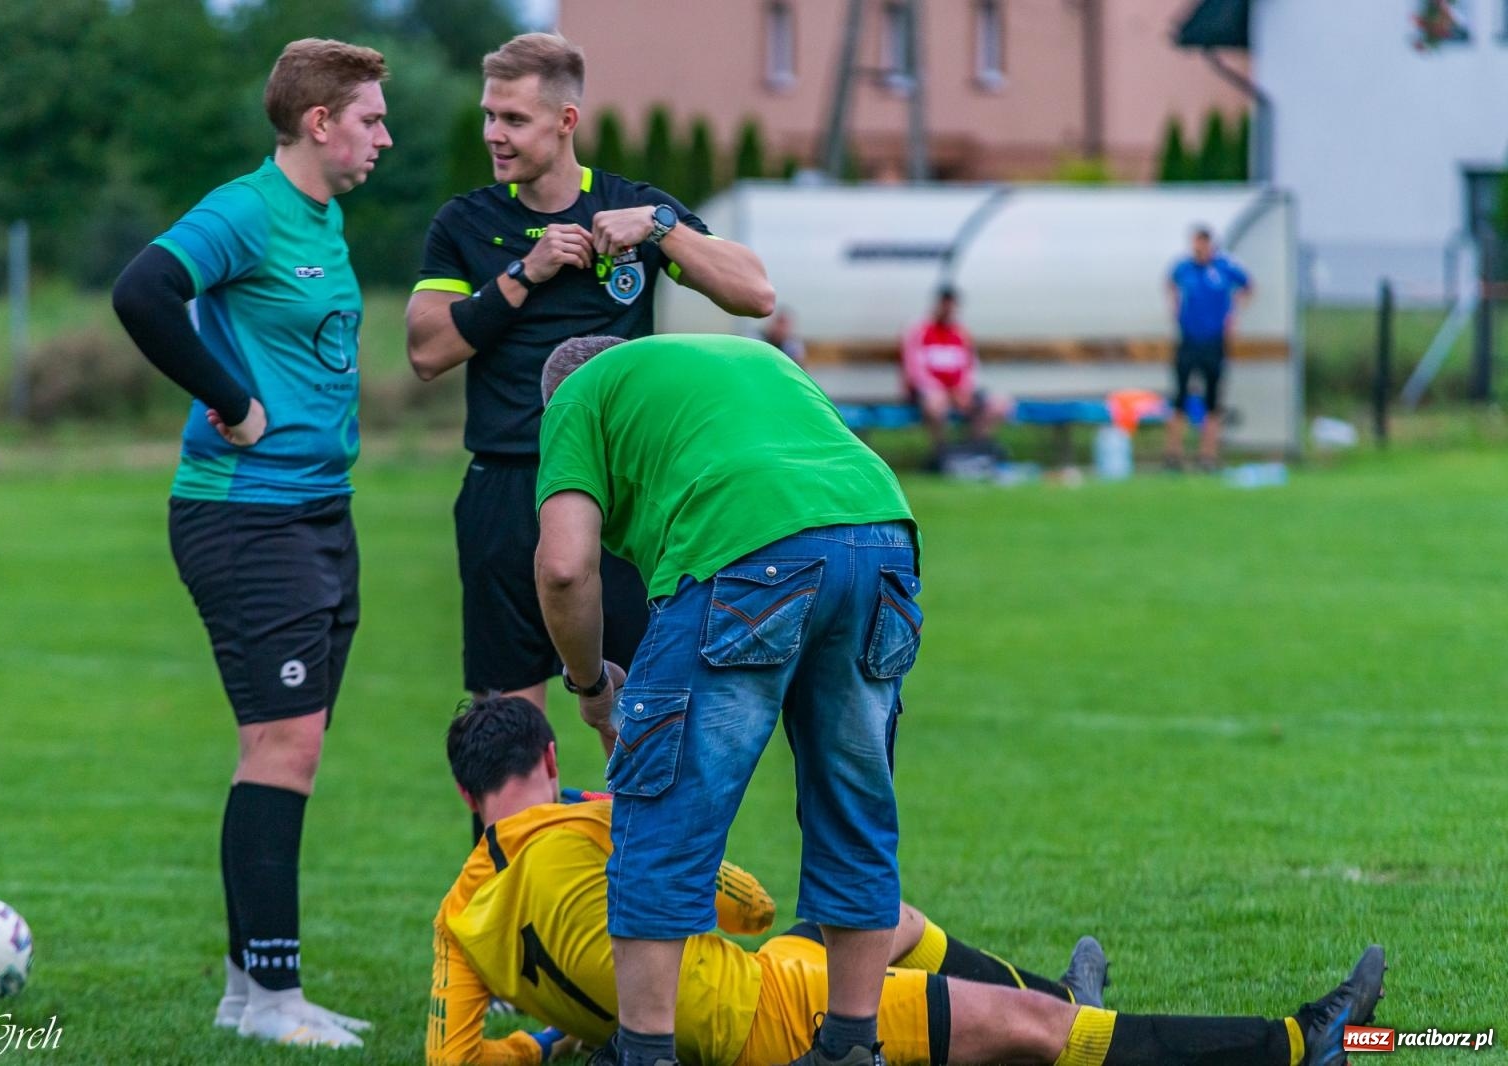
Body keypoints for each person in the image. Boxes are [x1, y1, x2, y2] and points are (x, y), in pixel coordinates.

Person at [428, 696, 1387, 1066]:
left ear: (469, 795)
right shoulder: (596, 821)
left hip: (704, 1011)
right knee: (1043, 1039)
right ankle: (1306, 1044)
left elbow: (456, 1063)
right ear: (550, 756)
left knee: (878, 917)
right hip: (773, 1018)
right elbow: (747, 903)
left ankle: (1061, 993)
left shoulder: (456, 915)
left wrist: (549, 1044)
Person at [110, 38, 391, 1049]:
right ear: (318, 123)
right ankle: (276, 1000)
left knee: (281, 749)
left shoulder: (326, 216)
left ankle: (245, 990)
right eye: (370, 119)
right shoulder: (245, 208)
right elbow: (143, 292)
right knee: (286, 744)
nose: (384, 137)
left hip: (321, 508)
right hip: (246, 512)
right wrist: (230, 400)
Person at [535, 333, 921, 1066]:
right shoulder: (747, 360)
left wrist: (590, 687)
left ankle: (644, 1053)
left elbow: (562, 568)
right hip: (884, 540)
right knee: (856, 807)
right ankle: (848, 1047)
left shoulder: (576, 396)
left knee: (662, 815)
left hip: (749, 555)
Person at [403, 32, 773, 726]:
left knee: (633, 713)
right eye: (489, 115)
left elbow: (755, 293)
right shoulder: (466, 223)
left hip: (620, 493)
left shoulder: (634, 208)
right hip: (505, 483)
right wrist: (523, 276)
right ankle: (512, 838)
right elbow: (427, 351)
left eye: (514, 119)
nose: (494, 134)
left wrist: (663, 229)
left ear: (566, 121)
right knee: (507, 726)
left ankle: (634, 840)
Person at [1163, 226, 1252, 471]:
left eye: (1201, 245)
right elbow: (1169, 284)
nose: (1197, 250)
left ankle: (1208, 456)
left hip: (1214, 342)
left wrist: (1234, 315)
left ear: (1210, 245)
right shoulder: (1184, 268)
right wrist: (1175, 308)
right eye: (1194, 245)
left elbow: (1247, 286)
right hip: (1188, 340)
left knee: (1212, 400)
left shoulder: (1224, 268)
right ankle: (1173, 455)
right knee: (1179, 398)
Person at [901, 286, 1009, 468]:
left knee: (999, 403)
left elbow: (971, 367)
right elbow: (915, 370)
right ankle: (942, 452)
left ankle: (976, 448)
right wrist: (948, 391)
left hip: (960, 392)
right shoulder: (919, 331)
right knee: (936, 403)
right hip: (930, 392)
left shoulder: (961, 333)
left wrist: (963, 390)